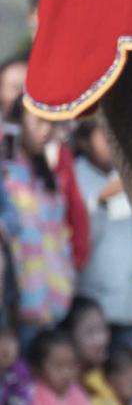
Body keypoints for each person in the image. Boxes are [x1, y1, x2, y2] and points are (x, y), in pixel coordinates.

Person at [70, 118, 132, 376]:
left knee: (127, 371)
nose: (112, 145)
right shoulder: (75, 175)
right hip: (96, 298)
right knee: (94, 372)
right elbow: (80, 240)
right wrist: (101, 202)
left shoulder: (124, 173)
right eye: (103, 136)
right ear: (83, 141)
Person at [2, 99, 76, 333]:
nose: (46, 129)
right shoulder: (6, 170)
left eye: (51, 123)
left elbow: (59, 234)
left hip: (52, 302)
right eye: (39, 121)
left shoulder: (47, 172)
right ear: (18, 121)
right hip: (15, 301)